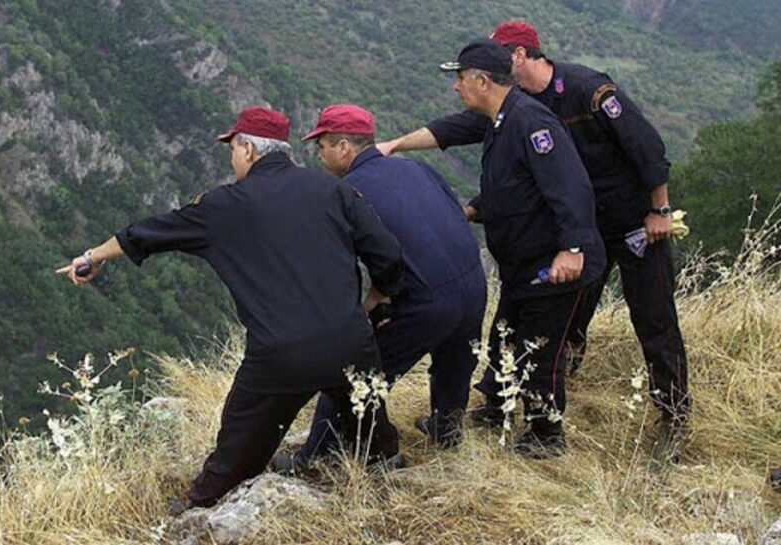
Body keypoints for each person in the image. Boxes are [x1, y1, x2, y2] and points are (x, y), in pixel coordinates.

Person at [57, 106, 405, 508]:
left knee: (239, 448)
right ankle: (386, 479)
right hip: (350, 340)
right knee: (372, 431)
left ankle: (199, 508)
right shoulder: (332, 189)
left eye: (233, 149)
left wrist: (93, 256)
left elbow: (149, 232)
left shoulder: (224, 205)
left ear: (248, 149)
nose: (232, 158)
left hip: (281, 353)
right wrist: (378, 299)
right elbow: (387, 254)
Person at [378, 21, 690, 461]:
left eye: (464, 76)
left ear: (516, 59)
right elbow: (463, 136)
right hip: (571, 231)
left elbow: (643, 150)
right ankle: (505, 408)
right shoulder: (509, 110)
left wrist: (657, 210)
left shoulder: (584, 92)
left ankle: (670, 417)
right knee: (538, 329)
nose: (457, 86)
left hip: (625, 223)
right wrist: (395, 147)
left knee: (651, 321)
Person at [272, 104, 487, 472]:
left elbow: (345, 264)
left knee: (353, 375)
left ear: (344, 147)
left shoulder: (346, 192)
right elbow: (453, 213)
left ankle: (316, 457)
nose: (318, 154)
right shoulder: (414, 167)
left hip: (427, 298)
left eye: (322, 145)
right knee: (455, 362)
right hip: (473, 282)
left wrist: (371, 301)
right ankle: (447, 429)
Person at [425, 38, 604, 457]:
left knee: (538, 352)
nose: (456, 87)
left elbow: (570, 188)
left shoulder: (532, 123)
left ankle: (545, 436)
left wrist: (572, 249)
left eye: (460, 78)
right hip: (522, 265)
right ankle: (497, 411)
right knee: (503, 342)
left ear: (483, 81)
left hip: (554, 266)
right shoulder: (500, 122)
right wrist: (473, 209)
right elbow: (515, 188)